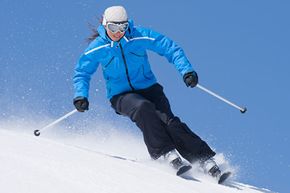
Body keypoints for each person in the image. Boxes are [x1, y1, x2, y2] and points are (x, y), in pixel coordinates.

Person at [73, 5, 221, 178]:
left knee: (170, 123)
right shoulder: (97, 48)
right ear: (105, 25)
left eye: (123, 27)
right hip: (121, 96)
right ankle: (165, 153)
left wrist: (186, 71)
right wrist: (80, 96)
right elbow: (82, 72)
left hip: (149, 89)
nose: (118, 32)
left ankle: (204, 160)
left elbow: (170, 48)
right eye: (114, 27)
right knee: (143, 108)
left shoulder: (139, 36)